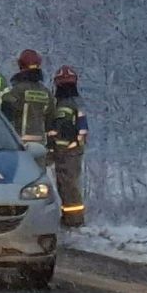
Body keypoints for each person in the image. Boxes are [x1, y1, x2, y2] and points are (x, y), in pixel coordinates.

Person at [52, 65, 88, 227]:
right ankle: (71, 219)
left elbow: (64, 132)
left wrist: (55, 151)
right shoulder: (77, 103)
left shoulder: (64, 105)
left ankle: (73, 221)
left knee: (68, 186)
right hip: (75, 150)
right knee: (68, 185)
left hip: (68, 153)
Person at [1, 49, 56, 148]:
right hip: (40, 145)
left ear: (20, 65)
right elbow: (51, 122)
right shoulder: (46, 93)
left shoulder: (17, 91)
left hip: (20, 144)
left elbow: (6, 116)